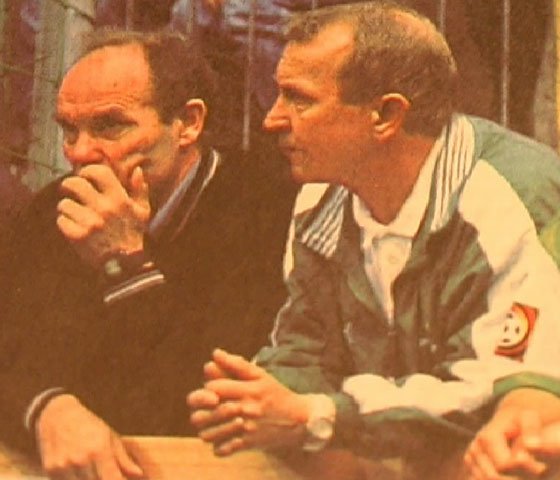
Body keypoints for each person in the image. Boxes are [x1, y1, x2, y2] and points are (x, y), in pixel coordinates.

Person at [188, 2, 560, 479]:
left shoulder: (512, 195)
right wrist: (262, 397)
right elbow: (304, 349)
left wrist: (318, 416)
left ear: (385, 114)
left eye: (298, 99)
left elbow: (493, 388)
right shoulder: (321, 196)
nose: (271, 120)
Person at [0, 29, 285, 480]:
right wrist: (45, 407)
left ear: (188, 123)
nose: (80, 153)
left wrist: (125, 264)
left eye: (110, 126)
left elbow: (201, 401)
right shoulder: (56, 207)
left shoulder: (265, 212)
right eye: (69, 130)